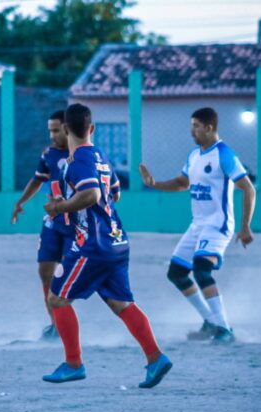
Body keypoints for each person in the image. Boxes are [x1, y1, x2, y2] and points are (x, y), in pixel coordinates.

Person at [42, 103, 172, 388]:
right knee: (121, 303)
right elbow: (115, 193)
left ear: (66, 129)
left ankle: (73, 363)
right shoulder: (100, 156)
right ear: (92, 128)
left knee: (57, 299)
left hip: (93, 245)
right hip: (116, 240)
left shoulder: (78, 161)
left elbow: (91, 194)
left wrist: (60, 206)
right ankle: (155, 358)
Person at [139, 107, 256, 344]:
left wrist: (245, 226)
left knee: (202, 270)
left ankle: (224, 329)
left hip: (218, 225)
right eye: (191, 126)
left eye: (196, 126)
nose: (191, 131)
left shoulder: (224, 154)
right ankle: (210, 321)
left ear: (209, 128)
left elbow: (248, 189)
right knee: (176, 273)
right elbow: (182, 183)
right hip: (197, 225)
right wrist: (154, 184)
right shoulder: (194, 155)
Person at [11, 110, 81, 341]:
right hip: (53, 222)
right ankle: (55, 324)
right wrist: (20, 202)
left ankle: (65, 321)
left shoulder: (83, 154)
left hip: (76, 224)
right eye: (49, 130)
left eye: (56, 130)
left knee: (66, 275)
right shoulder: (48, 154)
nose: (52, 135)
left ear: (67, 129)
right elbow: (37, 179)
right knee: (45, 272)